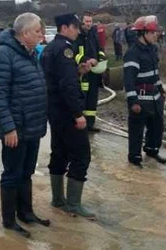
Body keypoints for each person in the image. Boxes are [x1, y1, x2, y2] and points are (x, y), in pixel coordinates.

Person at [0, 12, 50, 238]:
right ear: (24, 33)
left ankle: (26, 213)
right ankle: (9, 221)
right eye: (37, 31)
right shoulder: (4, 54)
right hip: (16, 129)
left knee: (26, 172)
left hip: (32, 126)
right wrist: (8, 128)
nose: (41, 35)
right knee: (12, 174)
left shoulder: (30, 53)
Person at [41, 13, 95, 220]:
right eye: (75, 27)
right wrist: (78, 114)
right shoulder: (65, 50)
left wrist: (78, 71)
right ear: (65, 28)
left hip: (54, 111)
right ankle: (73, 204)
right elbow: (67, 85)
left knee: (60, 153)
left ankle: (57, 200)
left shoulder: (49, 48)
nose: (78, 30)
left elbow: (58, 79)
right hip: (66, 112)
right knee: (81, 156)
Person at [123, 16, 166, 168]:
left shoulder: (153, 49)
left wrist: (161, 89)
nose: (156, 35)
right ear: (143, 33)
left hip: (154, 97)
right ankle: (134, 158)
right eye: (153, 32)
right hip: (140, 98)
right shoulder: (133, 53)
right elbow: (128, 81)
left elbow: (155, 73)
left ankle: (152, 151)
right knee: (137, 131)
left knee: (157, 127)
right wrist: (133, 102)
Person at [74, 12, 106, 132]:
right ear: (81, 23)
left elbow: (99, 49)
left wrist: (101, 58)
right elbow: (75, 54)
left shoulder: (93, 35)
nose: (88, 24)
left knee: (93, 98)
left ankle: (90, 124)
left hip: (94, 72)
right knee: (83, 98)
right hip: (83, 72)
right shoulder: (77, 37)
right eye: (86, 21)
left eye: (90, 21)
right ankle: (80, 124)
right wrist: (86, 60)